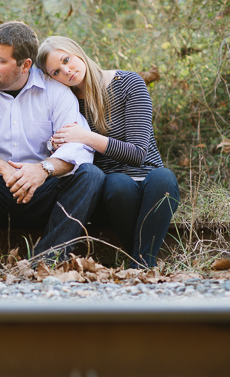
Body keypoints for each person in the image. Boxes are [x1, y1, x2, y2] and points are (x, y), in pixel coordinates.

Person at [0, 21, 104, 266]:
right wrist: (3, 168)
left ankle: (46, 262)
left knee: (91, 175)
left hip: (39, 191)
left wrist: (42, 170)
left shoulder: (54, 92)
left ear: (25, 65)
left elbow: (79, 148)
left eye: (0, 60)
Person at [35, 36, 180, 268]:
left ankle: (139, 264)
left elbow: (138, 153)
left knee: (164, 177)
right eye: (56, 72)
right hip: (112, 194)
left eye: (66, 60)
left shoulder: (128, 83)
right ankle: (143, 265)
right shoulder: (67, 102)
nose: (66, 71)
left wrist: (86, 137)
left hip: (151, 184)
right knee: (118, 183)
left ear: (77, 51)